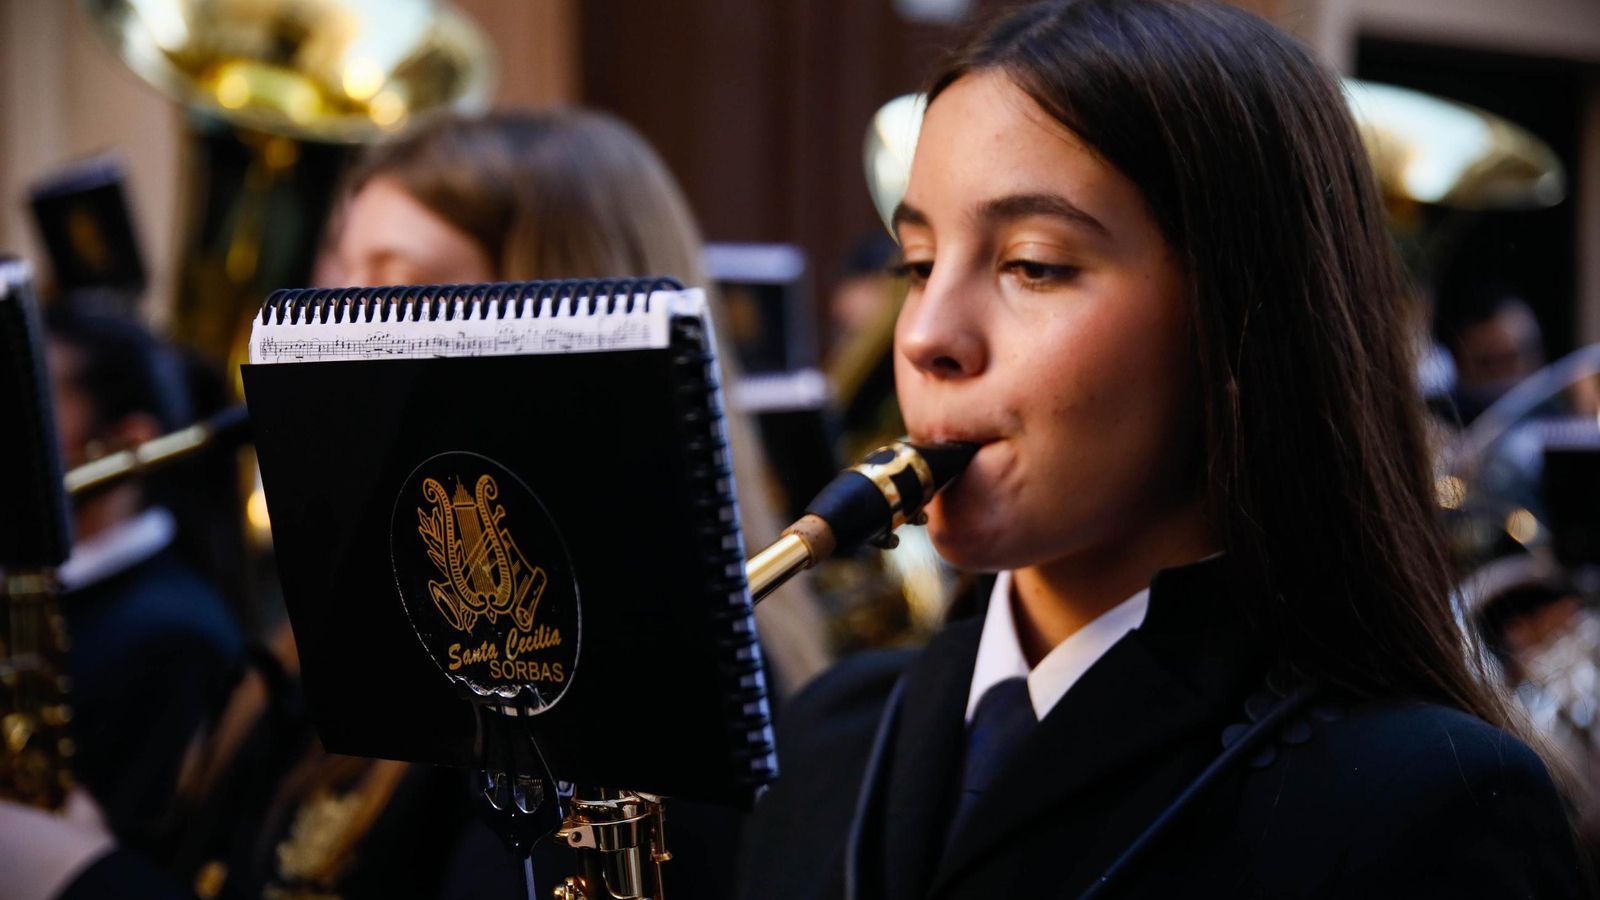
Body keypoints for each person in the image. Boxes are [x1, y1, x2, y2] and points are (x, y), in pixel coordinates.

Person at [737, 2, 1588, 898]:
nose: (924, 337)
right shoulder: (828, 734)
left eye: (1033, 264)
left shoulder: (1424, 802)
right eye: (917, 265)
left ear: (1240, 322)